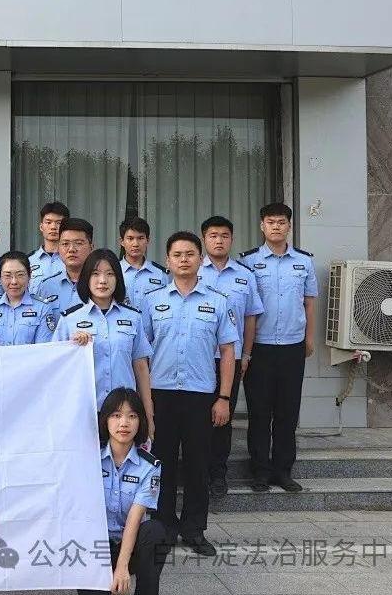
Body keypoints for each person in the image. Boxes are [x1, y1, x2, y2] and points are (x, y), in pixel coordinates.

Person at [141, 231, 237, 557]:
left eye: (190, 254)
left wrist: (224, 398)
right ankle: (164, 528)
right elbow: (142, 353)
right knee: (162, 464)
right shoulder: (152, 301)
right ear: (167, 261)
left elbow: (228, 351)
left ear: (200, 259)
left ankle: (194, 530)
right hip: (161, 394)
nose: (184, 260)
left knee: (198, 465)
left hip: (200, 396)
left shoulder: (218, 301)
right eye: (177, 254)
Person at [240, 203, 317, 493]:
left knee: (287, 411)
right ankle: (260, 471)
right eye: (270, 222)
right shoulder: (248, 261)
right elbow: (245, 306)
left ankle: (283, 471)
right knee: (259, 412)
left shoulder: (304, 262)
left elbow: (309, 303)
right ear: (262, 226)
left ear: (289, 226)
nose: (276, 226)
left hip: (292, 346)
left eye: (281, 222)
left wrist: (309, 338)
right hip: (259, 347)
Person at [199, 216, 264, 499]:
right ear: (204, 239)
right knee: (196, 417)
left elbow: (250, 318)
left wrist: (246, 354)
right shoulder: (191, 270)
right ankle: (196, 472)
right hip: (197, 358)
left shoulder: (245, 275)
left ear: (232, 239)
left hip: (230, 358)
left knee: (222, 418)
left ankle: (217, 474)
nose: (219, 241)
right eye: (213, 235)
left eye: (224, 236)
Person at [53, 249, 154, 417]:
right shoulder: (69, 319)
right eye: (95, 274)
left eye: (110, 274)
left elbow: (141, 368)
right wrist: (72, 347)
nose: (102, 281)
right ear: (86, 278)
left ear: (118, 279)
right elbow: (57, 368)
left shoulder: (133, 317)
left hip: (123, 413)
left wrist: (148, 414)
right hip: (83, 410)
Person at [93, 388, 168, 595]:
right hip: (95, 547)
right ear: (105, 420)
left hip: (130, 546)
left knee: (154, 531)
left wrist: (122, 567)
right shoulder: (90, 460)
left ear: (140, 421)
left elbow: (135, 517)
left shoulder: (150, 467)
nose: (124, 423)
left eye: (132, 416)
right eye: (116, 415)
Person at [0, 251, 56, 346]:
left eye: (20, 275)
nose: (14, 281)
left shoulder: (43, 308)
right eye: (7, 275)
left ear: (29, 275)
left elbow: (44, 349)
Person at [36, 217, 94, 314]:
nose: (71, 249)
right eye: (65, 244)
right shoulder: (46, 286)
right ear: (58, 248)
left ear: (91, 247)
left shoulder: (101, 285)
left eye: (78, 243)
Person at [118, 217, 168, 307]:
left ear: (147, 240)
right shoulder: (114, 271)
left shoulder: (160, 274)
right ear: (122, 241)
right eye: (130, 238)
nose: (135, 244)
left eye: (140, 238)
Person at [28, 201, 70, 292]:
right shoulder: (29, 261)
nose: (53, 227)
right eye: (48, 222)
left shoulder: (73, 259)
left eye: (59, 223)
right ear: (41, 227)